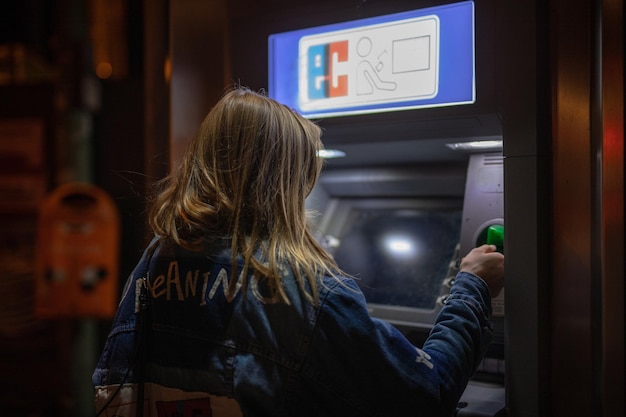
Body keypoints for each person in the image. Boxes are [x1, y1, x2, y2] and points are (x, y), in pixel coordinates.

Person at [92, 86, 505, 417]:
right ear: (284, 185)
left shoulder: (157, 257)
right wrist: (472, 286)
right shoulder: (304, 286)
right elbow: (426, 395)